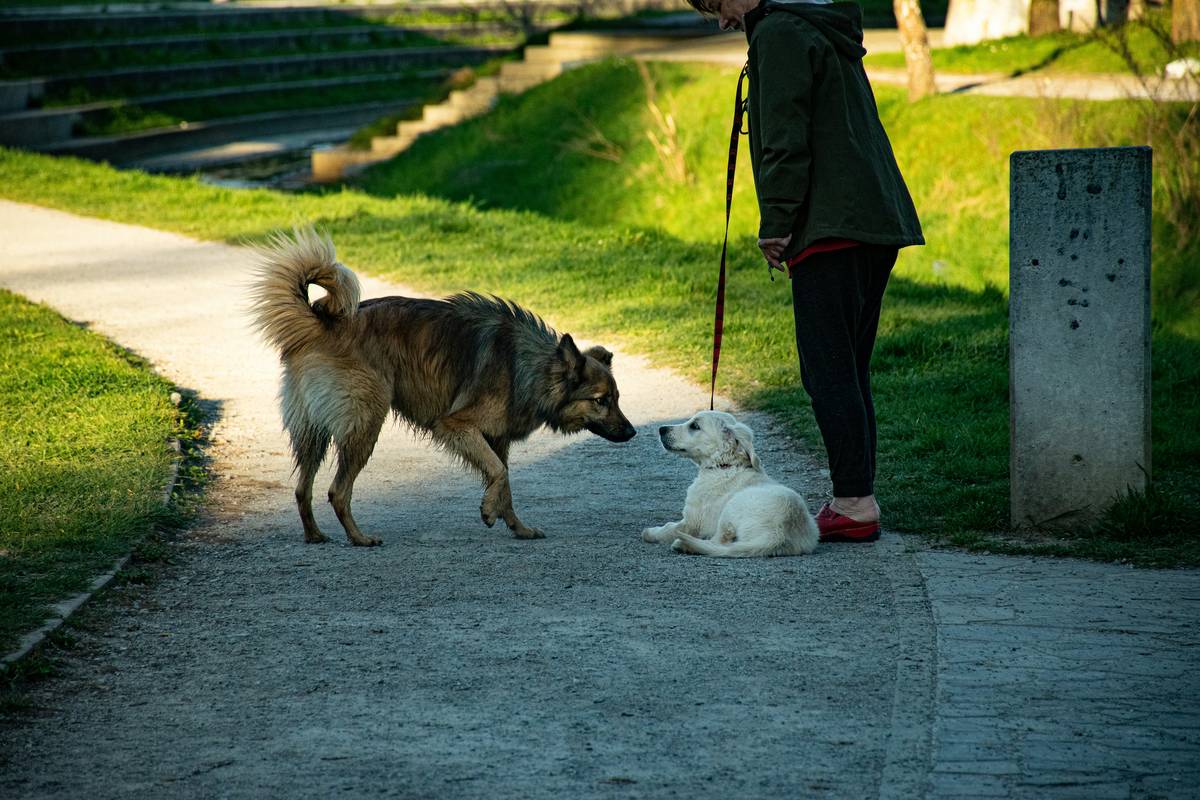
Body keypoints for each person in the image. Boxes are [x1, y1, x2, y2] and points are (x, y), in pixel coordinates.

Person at [685, 0, 924, 542]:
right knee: (849, 370)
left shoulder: (778, 32)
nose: (721, 21)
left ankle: (855, 502)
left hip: (829, 226)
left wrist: (778, 221)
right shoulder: (822, 23)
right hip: (871, 219)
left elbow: (786, 138)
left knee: (827, 373)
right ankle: (855, 496)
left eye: (717, 6)